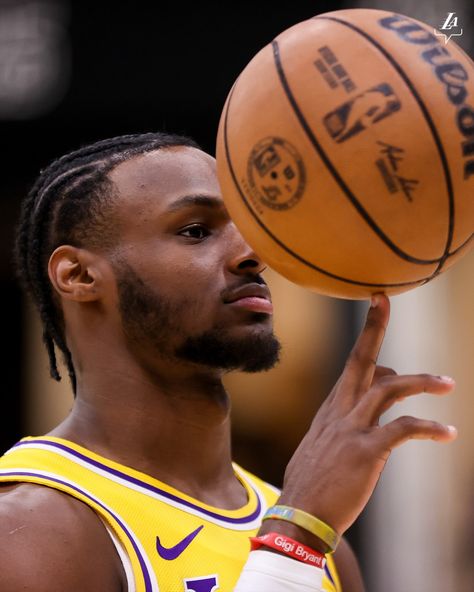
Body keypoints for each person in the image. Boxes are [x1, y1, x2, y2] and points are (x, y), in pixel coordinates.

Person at [0, 132, 456, 592]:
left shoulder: (311, 531)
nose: (253, 255)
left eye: (250, 229)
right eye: (196, 231)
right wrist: (295, 540)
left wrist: (300, 534)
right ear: (78, 275)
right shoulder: (28, 526)